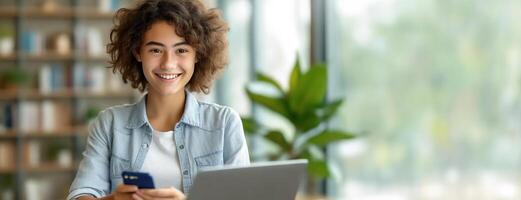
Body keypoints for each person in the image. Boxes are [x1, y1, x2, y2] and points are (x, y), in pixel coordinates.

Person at [67, 0, 250, 199]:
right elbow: (81, 194)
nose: (168, 64)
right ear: (138, 52)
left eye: (181, 50)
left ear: (198, 54)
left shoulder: (224, 122)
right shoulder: (110, 124)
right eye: (156, 50)